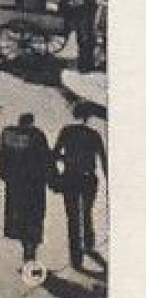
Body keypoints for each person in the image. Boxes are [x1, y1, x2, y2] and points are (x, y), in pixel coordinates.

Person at [52, 104, 107, 271]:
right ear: (88, 116)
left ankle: (76, 258)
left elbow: (55, 154)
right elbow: (103, 160)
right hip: (88, 178)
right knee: (86, 213)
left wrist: (65, 159)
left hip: (70, 178)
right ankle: (89, 244)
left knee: (73, 218)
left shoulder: (66, 131)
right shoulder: (94, 135)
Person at [0, 112, 52, 265]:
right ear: (31, 122)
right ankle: (30, 252)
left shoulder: (8, 133)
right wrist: (52, 179)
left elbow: (2, 156)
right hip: (34, 185)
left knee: (18, 217)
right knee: (34, 218)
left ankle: (26, 250)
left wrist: (5, 175)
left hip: (14, 184)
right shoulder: (37, 135)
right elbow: (46, 158)